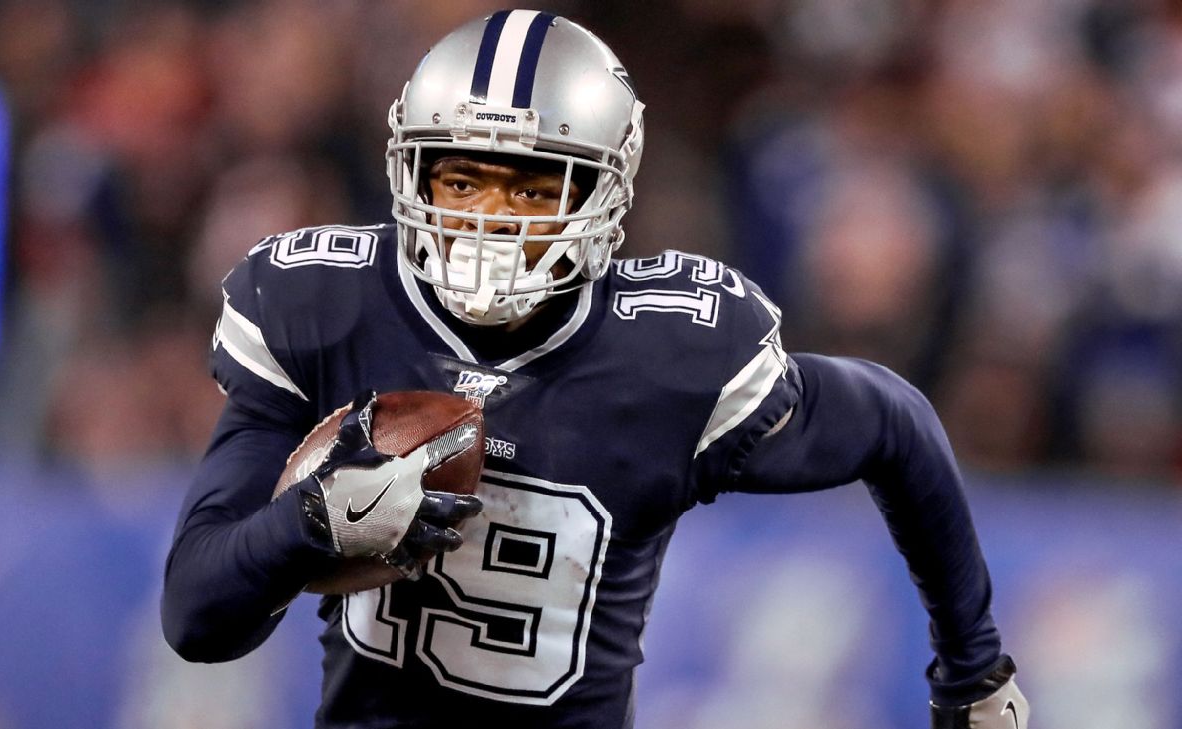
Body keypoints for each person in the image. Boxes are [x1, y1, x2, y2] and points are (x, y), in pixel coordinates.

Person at [161, 10, 1030, 729]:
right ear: (409, 171)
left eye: (533, 190)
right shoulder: (326, 306)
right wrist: (310, 524)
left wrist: (973, 669)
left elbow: (894, 422)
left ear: (603, 195)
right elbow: (197, 615)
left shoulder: (669, 357)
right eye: (463, 181)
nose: (492, 223)